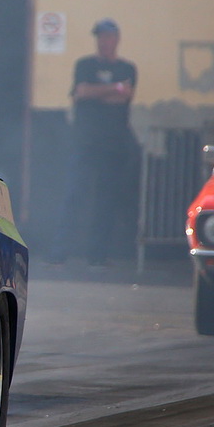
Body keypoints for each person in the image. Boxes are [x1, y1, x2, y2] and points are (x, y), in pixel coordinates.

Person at [51, 18, 138, 266]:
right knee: (73, 195)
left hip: (113, 146)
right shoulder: (85, 65)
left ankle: (97, 255)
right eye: (100, 37)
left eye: (108, 36)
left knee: (105, 200)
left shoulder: (127, 68)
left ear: (116, 39)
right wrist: (113, 88)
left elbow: (125, 96)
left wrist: (96, 91)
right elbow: (81, 92)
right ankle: (60, 251)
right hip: (84, 142)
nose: (103, 41)